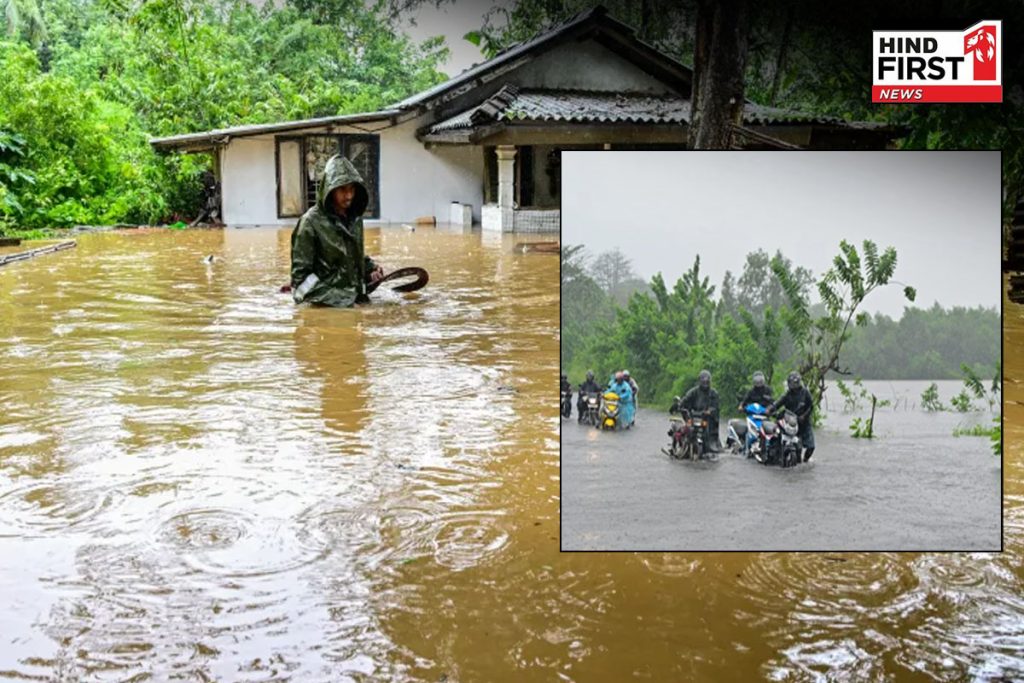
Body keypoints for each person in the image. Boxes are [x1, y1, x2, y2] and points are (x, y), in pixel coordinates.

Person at [290, 154, 384, 307]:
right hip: (325, 310)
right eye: (342, 189)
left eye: (352, 189)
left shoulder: (355, 219)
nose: (348, 196)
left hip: (355, 302)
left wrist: (370, 269)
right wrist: (343, 301)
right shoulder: (309, 223)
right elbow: (300, 283)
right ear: (329, 189)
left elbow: (352, 255)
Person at [767, 371, 816, 462]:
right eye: (793, 383)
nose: (795, 385)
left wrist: (804, 416)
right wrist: (771, 408)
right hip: (791, 422)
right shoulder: (787, 394)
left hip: (804, 423)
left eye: (797, 383)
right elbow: (778, 403)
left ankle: (805, 460)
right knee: (796, 447)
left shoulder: (805, 392)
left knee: (811, 447)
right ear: (789, 383)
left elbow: (811, 406)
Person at [681, 369, 721, 452]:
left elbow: (715, 406)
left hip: (707, 419)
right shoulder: (693, 392)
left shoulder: (713, 393)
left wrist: (710, 411)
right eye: (703, 380)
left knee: (712, 442)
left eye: (707, 380)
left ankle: (711, 445)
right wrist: (679, 405)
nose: (705, 382)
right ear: (699, 380)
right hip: (695, 416)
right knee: (687, 428)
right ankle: (684, 443)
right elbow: (685, 399)